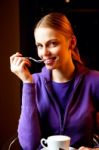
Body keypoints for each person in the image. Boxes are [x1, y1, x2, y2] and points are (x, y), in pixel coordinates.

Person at [10, 12, 99, 150]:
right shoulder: (34, 82)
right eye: (39, 45)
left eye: (52, 43)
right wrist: (27, 83)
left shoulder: (94, 81)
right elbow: (29, 146)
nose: (44, 53)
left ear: (72, 42)